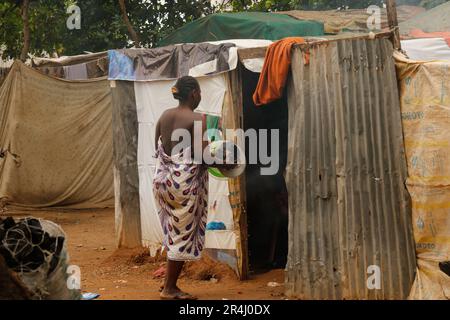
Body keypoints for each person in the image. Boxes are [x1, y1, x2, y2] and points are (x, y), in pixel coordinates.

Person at [153, 76, 208, 300]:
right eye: (200, 92)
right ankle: (170, 289)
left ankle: (168, 283)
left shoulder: (165, 116)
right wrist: (227, 161)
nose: (201, 96)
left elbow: (157, 148)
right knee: (183, 234)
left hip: (162, 183)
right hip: (183, 186)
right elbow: (202, 155)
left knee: (174, 233)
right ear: (194, 93)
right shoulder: (197, 118)